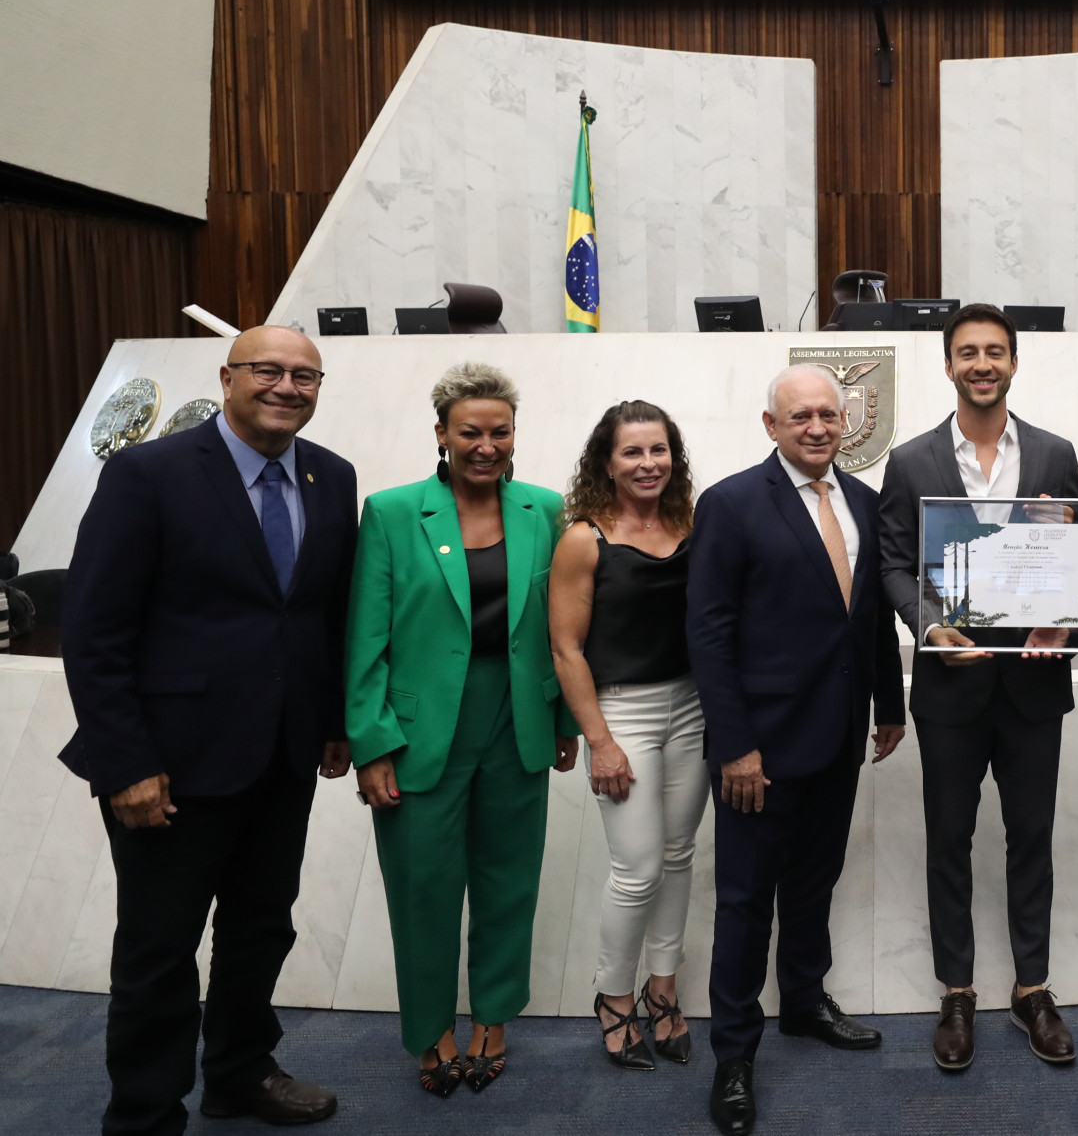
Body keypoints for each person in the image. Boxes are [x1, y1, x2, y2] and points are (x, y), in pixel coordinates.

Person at [61, 326, 356, 1135]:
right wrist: (126, 761)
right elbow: (94, 631)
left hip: (283, 753)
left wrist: (331, 723)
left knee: (262, 926)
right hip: (169, 764)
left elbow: (321, 615)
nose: (287, 386)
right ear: (228, 376)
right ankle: (146, 1112)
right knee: (160, 950)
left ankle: (238, 1072)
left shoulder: (331, 476)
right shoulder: (147, 473)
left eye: (305, 375)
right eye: (268, 370)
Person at [344, 361, 579, 1097]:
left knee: (510, 881)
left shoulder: (546, 510)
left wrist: (566, 717)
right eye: (469, 431)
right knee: (424, 889)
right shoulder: (390, 511)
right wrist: (371, 741)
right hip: (418, 736)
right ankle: (431, 1032)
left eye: (499, 431)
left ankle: (494, 1019)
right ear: (441, 434)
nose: (486, 445)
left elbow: (564, 625)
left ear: (515, 435)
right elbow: (365, 637)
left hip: (517, 720)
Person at [690, 364, 907, 1136]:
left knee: (814, 884)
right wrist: (735, 747)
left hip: (841, 734)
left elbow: (872, 612)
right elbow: (708, 633)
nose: (817, 427)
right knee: (746, 903)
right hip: (761, 750)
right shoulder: (730, 503)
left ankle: (805, 1002)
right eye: (800, 416)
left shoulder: (862, 499)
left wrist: (889, 702)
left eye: (828, 414)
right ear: (770, 424)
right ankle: (734, 1055)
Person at [878, 303, 1078, 1071]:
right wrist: (927, 628)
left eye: (994, 351)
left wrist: (1071, 624)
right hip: (950, 691)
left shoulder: (1055, 452)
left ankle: (1031, 989)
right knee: (949, 842)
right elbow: (893, 563)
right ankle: (957, 992)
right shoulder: (910, 461)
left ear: (1012, 362)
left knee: (1031, 839)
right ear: (947, 364)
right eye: (967, 352)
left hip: (1034, 688)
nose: (981, 364)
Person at [549, 401, 704, 1071]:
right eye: (632, 452)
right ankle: (613, 997)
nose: (648, 464)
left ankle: (661, 990)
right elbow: (564, 647)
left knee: (676, 855)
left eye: (658, 450)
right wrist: (600, 739)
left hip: (693, 707)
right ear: (606, 462)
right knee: (635, 868)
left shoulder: (692, 523)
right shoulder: (585, 537)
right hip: (623, 713)